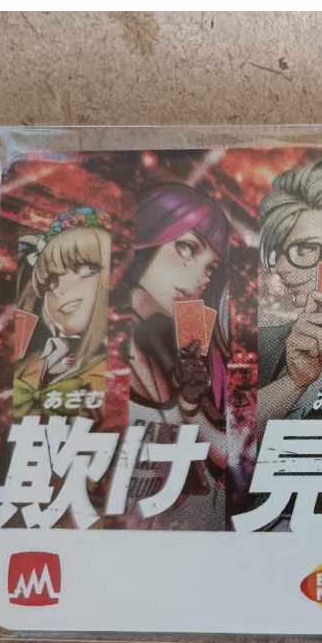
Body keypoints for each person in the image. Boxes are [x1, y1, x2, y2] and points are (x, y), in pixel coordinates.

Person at [113, 184, 231, 530]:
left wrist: (190, 405)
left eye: (211, 268)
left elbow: (224, 458)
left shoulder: (173, 352)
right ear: (148, 234)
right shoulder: (96, 343)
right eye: (187, 248)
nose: (200, 277)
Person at [256, 159, 322, 426]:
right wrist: (294, 381)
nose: (280, 267)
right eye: (278, 252)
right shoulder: (264, 344)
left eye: (304, 249)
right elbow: (232, 438)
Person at [12, 206, 111, 419]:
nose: (59, 288)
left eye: (85, 269)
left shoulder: (117, 371)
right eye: (51, 279)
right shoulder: (33, 363)